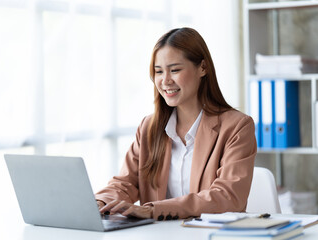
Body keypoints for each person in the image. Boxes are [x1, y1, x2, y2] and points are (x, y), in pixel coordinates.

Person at [95, 27, 257, 221]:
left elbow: (228, 196)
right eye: (158, 72)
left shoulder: (237, 127)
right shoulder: (149, 128)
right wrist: (100, 202)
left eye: (175, 70)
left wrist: (154, 209)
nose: (165, 81)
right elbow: (125, 184)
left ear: (203, 68)